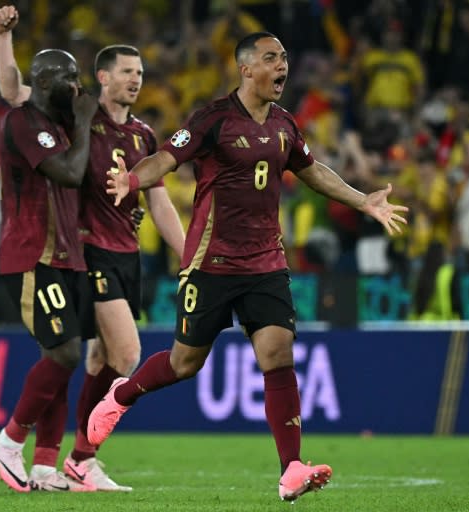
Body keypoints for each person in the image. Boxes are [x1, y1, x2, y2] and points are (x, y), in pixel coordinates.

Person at [88, 32, 409, 503]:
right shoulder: (213, 119)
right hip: (211, 264)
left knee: (277, 355)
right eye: (271, 58)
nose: (282, 66)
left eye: (285, 57)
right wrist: (133, 179)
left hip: (266, 262)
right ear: (245, 68)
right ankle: (122, 394)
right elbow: (166, 158)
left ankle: (291, 468)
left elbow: (311, 169)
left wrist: (364, 201)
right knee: (184, 363)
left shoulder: (284, 123)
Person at [0, 5, 185, 491]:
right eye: (127, 72)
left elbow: (158, 202)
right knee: (123, 353)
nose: (136, 80)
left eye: (140, 73)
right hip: (84, 249)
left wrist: (190, 258)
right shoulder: (77, 112)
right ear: (102, 77)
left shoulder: (141, 134)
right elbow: (15, 92)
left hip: (125, 252)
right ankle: (74, 453)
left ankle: (67, 461)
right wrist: (2, 37)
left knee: (94, 360)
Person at [0, 46, 99, 493]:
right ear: (47, 82)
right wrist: (87, 119)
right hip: (35, 255)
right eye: (70, 80)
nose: (77, 88)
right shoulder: (24, 123)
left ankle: (46, 466)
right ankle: (10, 440)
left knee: (60, 357)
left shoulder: (56, 124)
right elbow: (69, 174)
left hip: (69, 255)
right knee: (65, 353)